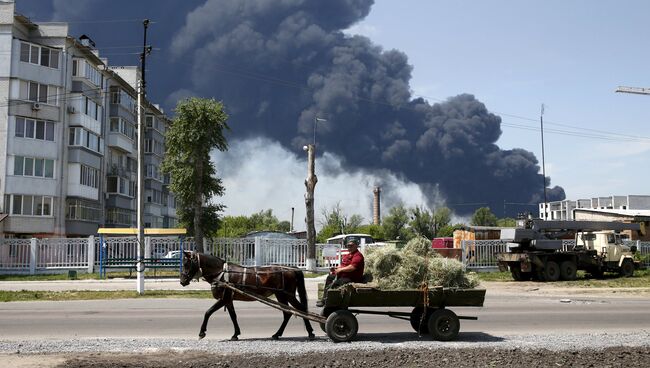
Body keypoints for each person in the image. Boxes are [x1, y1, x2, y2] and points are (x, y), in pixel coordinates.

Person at [316, 237, 365, 307]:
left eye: (351, 245)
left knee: (337, 283)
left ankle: (331, 302)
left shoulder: (358, 256)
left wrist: (341, 270)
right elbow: (343, 265)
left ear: (356, 246)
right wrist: (336, 268)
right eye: (348, 246)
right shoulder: (348, 255)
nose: (349, 247)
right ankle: (324, 299)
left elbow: (352, 267)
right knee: (330, 278)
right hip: (344, 276)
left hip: (352, 278)